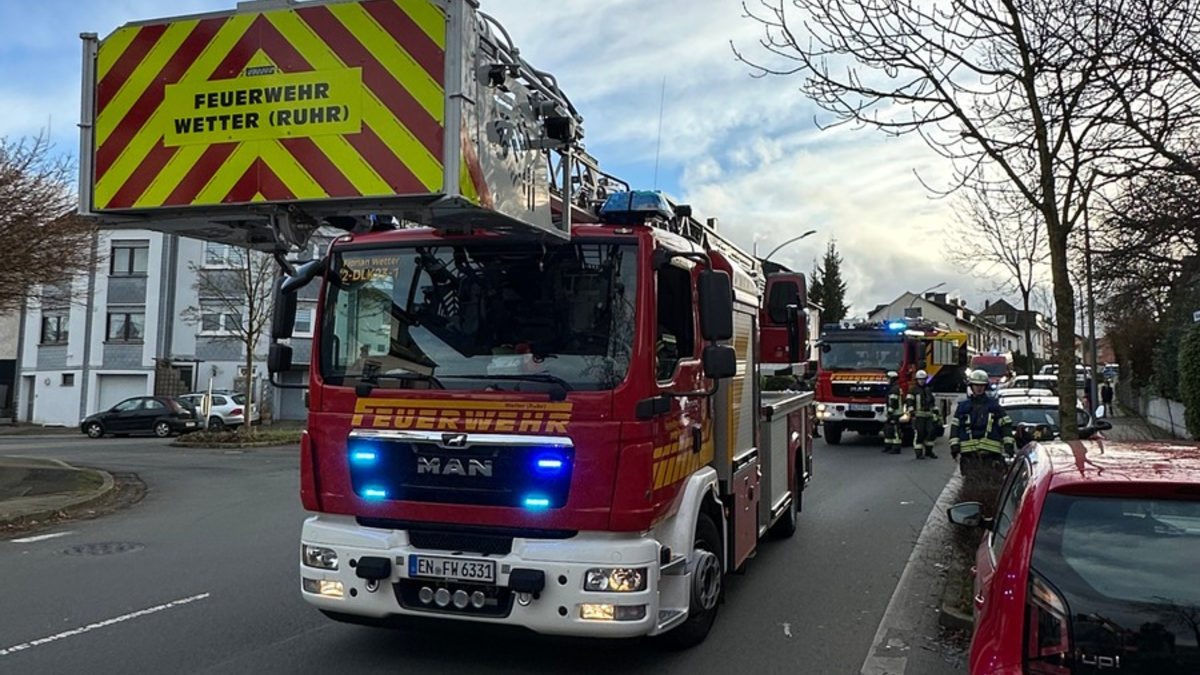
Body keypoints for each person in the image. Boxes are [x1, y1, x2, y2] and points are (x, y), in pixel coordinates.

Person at [949, 369, 1015, 483]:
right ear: (971, 386)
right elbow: (955, 427)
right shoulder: (963, 407)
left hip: (991, 455)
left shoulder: (994, 406)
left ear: (985, 387)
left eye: (981, 385)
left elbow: (1005, 425)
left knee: (991, 483)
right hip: (969, 455)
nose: (979, 388)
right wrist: (954, 446)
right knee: (971, 485)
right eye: (976, 385)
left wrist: (1008, 444)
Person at [907, 369, 938, 459]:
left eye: (923, 379)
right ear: (917, 380)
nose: (922, 381)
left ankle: (929, 451)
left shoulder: (927, 390)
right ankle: (919, 453)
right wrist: (912, 413)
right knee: (920, 434)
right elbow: (909, 402)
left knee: (931, 433)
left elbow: (932, 402)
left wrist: (936, 412)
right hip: (918, 416)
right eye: (920, 379)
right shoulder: (913, 390)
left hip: (928, 415)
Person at [882, 370, 904, 454]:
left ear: (892, 379)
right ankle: (888, 446)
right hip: (894, 413)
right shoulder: (893, 388)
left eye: (888, 378)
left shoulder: (894, 389)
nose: (887, 380)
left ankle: (896, 448)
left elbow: (893, 403)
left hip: (896, 413)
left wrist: (890, 413)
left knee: (895, 431)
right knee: (888, 429)